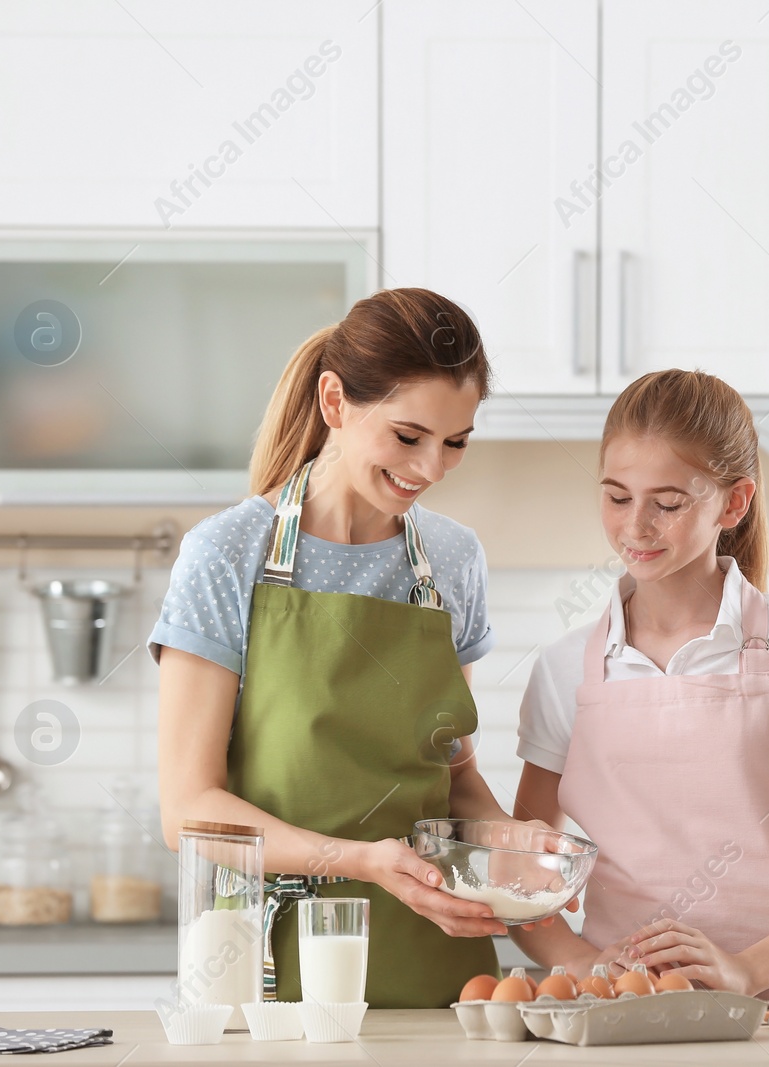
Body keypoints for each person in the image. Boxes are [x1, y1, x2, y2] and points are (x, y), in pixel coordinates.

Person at [152, 288, 523, 1008]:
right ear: (334, 401)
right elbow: (189, 810)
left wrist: (517, 844)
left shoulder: (452, 558)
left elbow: (455, 776)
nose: (432, 468)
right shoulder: (228, 554)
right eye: (408, 436)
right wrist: (359, 862)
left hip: (432, 960)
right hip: (269, 960)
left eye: (455, 442)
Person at [509, 369, 769, 1008]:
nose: (635, 526)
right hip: (614, 1021)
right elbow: (518, 874)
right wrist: (582, 961)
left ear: (733, 503)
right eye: (616, 497)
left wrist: (746, 971)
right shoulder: (565, 669)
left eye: (666, 503)